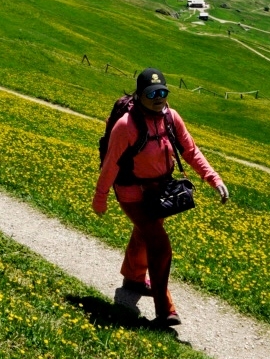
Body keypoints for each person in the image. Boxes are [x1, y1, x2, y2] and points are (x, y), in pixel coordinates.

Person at [92, 69, 229, 327]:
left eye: (163, 92)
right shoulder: (126, 126)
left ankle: (133, 278)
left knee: (145, 233)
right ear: (139, 95)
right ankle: (164, 309)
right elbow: (110, 164)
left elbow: (190, 150)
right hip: (131, 192)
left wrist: (214, 178)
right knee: (159, 244)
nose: (159, 98)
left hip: (160, 191)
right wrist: (100, 198)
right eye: (152, 93)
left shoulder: (171, 117)